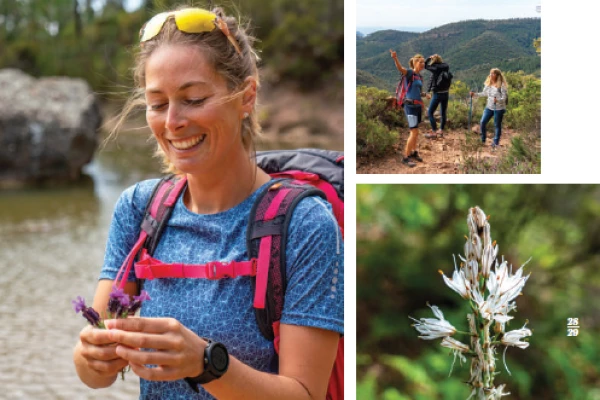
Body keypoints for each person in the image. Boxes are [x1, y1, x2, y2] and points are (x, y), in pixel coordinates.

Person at [72, 7, 343, 400]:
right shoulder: (140, 210)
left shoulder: (304, 224)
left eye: (194, 98)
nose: (172, 122)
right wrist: (90, 355)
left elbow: (304, 394)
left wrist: (205, 363)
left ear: (246, 96)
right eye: (157, 103)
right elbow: (96, 376)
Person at [390, 50, 427, 167]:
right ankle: (405, 157)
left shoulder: (419, 77)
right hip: (409, 106)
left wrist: (425, 95)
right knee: (414, 131)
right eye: (421, 62)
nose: (423, 64)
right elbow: (400, 69)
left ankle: (414, 152)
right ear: (415, 63)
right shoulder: (410, 73)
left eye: (423, 62)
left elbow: (418, 92)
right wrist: (395, 58)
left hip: (417, 106)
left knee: (416, 132)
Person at [470, 68, 509, 148]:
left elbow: (504, 98)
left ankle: (495, 142)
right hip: (489, 107)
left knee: (497, 125)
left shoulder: (501, 86)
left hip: (499, 109)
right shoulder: (488, 84)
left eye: (493, 74)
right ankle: (483, 139)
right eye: (490, 73)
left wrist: (497, 100)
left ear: (497, 76)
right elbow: (484, 93)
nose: (491, 75)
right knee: (482, 122)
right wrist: (475, 94)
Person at [423, 54, 451, 139]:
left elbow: (425, 65)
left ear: (433, 61)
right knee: (443, 113)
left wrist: (428, 58)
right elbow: (443, 64)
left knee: (430, 112)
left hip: (437, 93)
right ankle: (441, 130)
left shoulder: (435, 68)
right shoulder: (446, 66)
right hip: (446, 93)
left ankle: (434, 132)